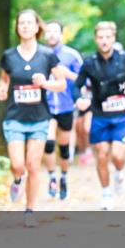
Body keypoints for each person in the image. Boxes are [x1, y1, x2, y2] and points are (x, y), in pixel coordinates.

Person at [0, 9, 67, 225]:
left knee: (33, 165)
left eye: (29, 23)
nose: (25, 26)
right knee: (18, 164)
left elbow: (62, 83)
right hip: (15, 117)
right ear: (17, 28)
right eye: (21, 23)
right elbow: (4, 80)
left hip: (39, 118)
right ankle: (17, 179)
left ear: (37, 28)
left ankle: (29, 211)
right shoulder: (9, 56)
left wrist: (44, 83)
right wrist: (1, 89)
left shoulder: (47, 55)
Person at [74, 21, 125, 210]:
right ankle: (106, 193)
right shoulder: (89, 63)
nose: (104, 41)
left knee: (118, 156)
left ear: (114, 38)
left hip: (121, 115)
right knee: (102, 155)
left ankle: (119, 173)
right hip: (100, 115)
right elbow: (76, 85)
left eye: (108, 37)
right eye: (101, 37)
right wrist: (79, 99)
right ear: (96, 39)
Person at [42, 20, 84, 201]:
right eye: (48, 31)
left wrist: (67, 74)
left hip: (66, 105)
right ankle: (52, 176)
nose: (51, 35)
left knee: (64, 147)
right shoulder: (39, 54)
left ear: (61, 34)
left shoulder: (72, 55)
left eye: (55, 31)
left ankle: (64, 177)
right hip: (46, 105)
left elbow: (82, 80)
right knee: (48, 142)